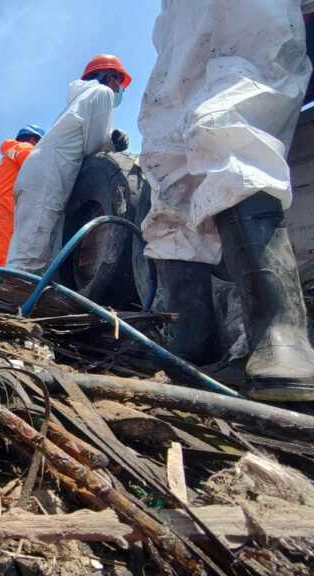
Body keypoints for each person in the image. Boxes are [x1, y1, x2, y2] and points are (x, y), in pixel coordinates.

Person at [138, 0, 314, 401]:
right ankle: (192, 336)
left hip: (248, 17)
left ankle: (276, 330)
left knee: (228, 123)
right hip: (181, 29)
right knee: (168, 164)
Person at [6, 55, 131, 275]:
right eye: (119, 82)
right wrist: (113, 142)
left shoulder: (81, 99)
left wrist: (110, 140)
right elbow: (92, 144)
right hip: (48, 173)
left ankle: (24, 298)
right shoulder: (102, 93)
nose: (120, 89)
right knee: (32, 251)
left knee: (41, 249)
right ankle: (11, 298)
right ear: (109, 77)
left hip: (41, 171)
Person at [0, 125, 44, 281]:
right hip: (4, 207)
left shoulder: (9, 153)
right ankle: (0, 292)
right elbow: (37, 168)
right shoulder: (25, 147)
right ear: (32, 140)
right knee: (4, 254)